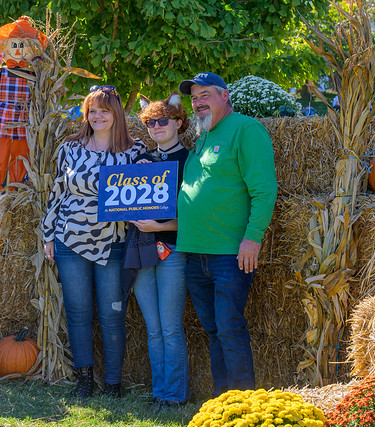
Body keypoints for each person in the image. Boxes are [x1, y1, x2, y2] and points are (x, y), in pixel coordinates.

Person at [41, 85, 146, 398]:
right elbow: (57, 192)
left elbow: (146, 192)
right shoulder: (70, 148)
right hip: (70, 238)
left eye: (104, 110)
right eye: (92, 111)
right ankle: (84, 379)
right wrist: (48, 235)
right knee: (78, 311)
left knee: (112, 314)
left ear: (116, 114)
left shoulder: (134, 151)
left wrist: (146, 171)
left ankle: (113, 382)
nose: (98, 116)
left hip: (112, 241)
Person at [176, 72, 277, 396]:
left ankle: (243, 404)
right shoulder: (202, 137)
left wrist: (253, 238)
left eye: (205, 94)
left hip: (228, 255)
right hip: (194, 254)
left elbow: (264, 190)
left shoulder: (246, 129)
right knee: (213, 330)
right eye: (194, 98)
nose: (198, 102)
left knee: (230, 328)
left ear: (225, 95)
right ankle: (223, 401)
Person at [125, 91, 190, 408]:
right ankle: (159, 393)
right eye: (150, 122)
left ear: (179, 122)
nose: (156, 126)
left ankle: (174, 395)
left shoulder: (190, 161)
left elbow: (196, 217)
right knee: (154, 330)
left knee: (170, 328)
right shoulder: (142, 162)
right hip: (143, 250)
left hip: (173, 250)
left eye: (163, 120)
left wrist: (160, 227)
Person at [0, 16, 46, 190]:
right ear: (4, 47)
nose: (17, 50)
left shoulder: (35, 75)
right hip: (1, 116)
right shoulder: (2, 72)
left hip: (25, 116)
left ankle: (16, 185)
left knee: (21, 152)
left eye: (22, 45)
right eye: (14, 45)